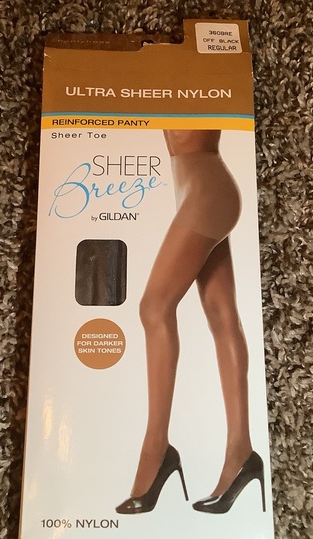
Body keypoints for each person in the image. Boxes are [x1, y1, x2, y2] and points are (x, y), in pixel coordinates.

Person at [116, 129, 265, 515]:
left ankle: (156, 448)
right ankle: (241, 453)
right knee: (222, 315)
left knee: (154, 308)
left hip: (205, 195)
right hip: (196, 193)